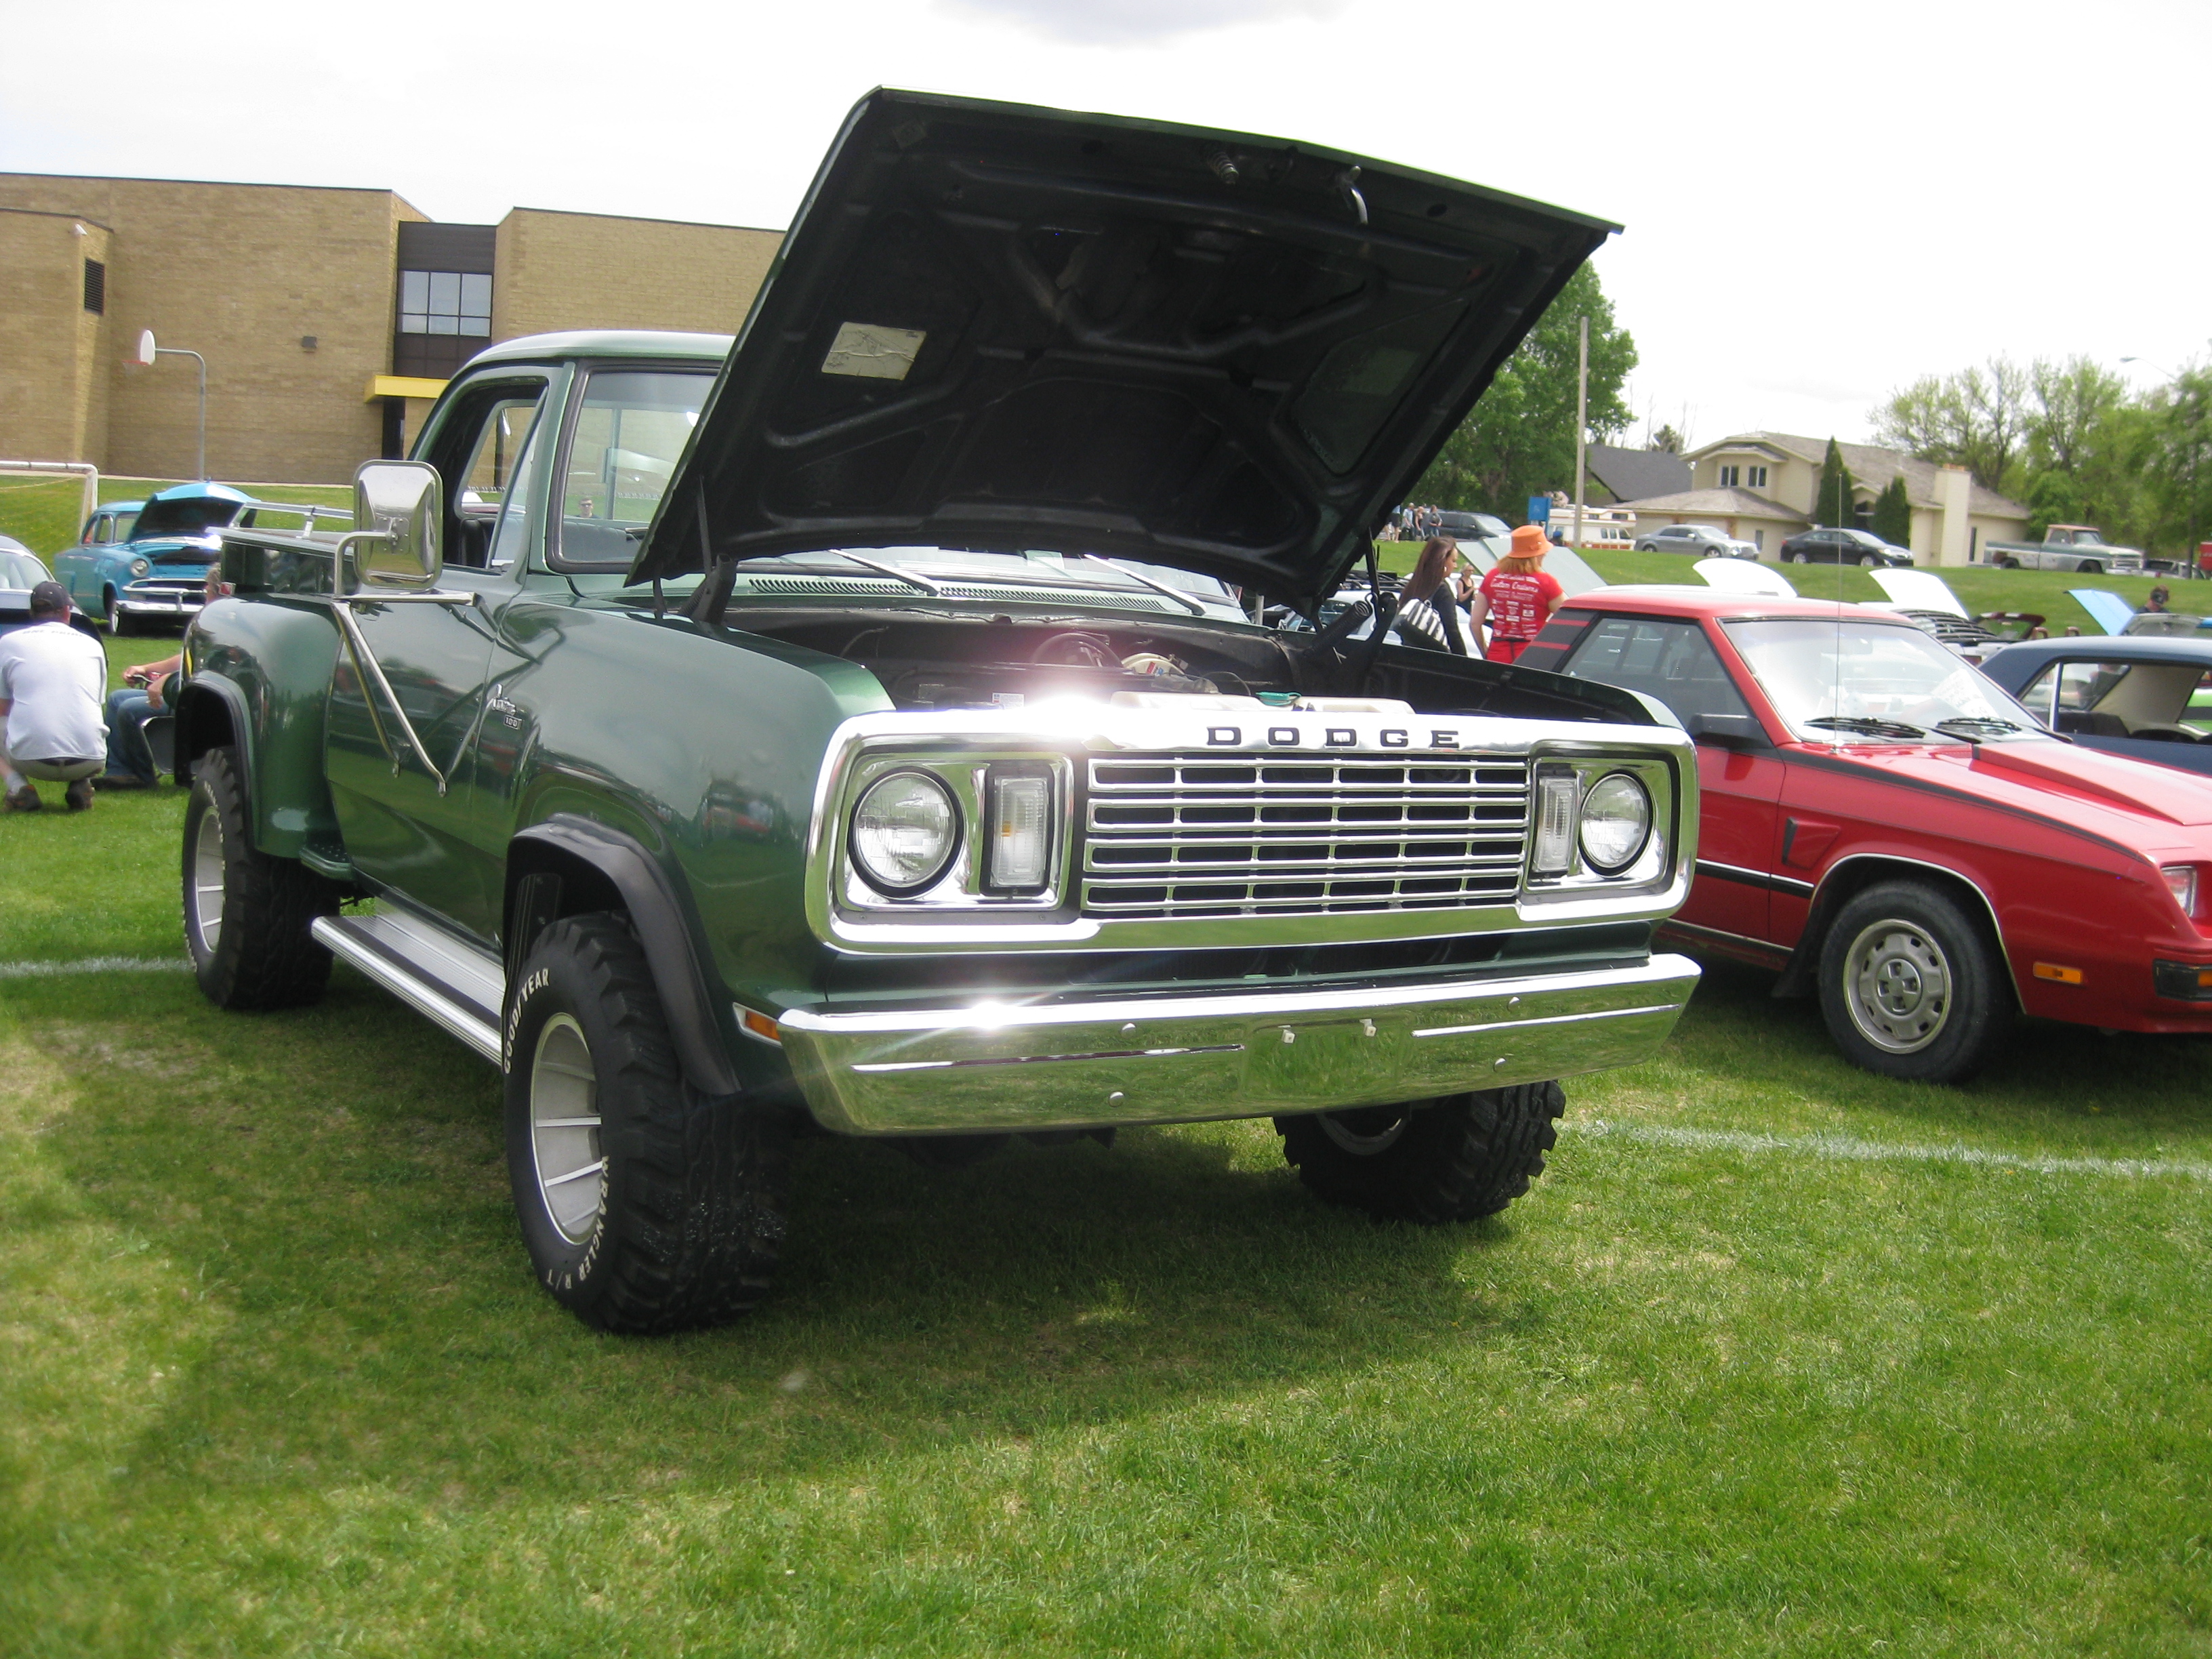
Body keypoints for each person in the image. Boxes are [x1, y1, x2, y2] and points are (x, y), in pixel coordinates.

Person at [0, 581, 110, 812]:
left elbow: (2, 709)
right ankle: (83, 781)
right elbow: (97, 702)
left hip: (30, 760)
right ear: (67, 611)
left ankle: (18, 787)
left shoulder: (8, 643)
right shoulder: (92, 645)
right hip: (91, 759)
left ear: (32, 613)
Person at [1469, 524, 1565, 663]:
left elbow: (1474, 624)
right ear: (1539, 553)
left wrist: (1486, 652)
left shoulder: (1492, 577)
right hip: (1534, 656)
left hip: (1498, 655)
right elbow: (1565, 621)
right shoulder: (1546, 582)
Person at [1391, 537, 1467, 651]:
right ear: (1442, 562)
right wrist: (1464, 662)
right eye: (1454, 561)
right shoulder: (1442, 591)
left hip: (1408, 654)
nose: (1455, 566)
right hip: (1433, 658)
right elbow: (1452, 632)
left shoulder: (1412, 586)